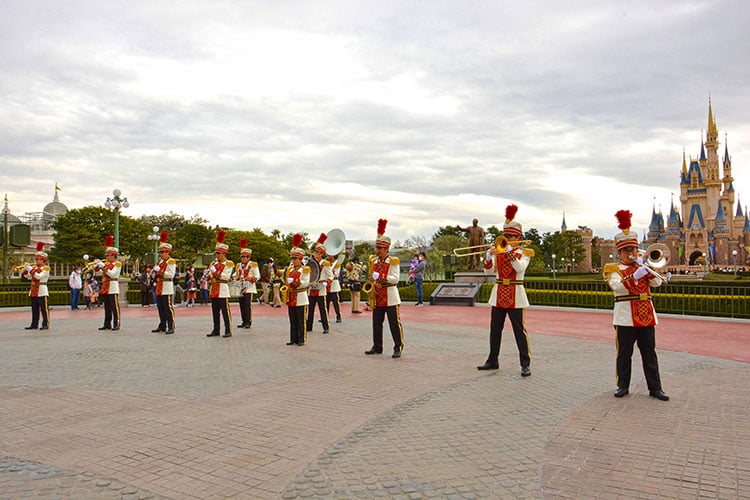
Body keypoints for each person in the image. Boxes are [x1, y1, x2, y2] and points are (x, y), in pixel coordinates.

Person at [603, 210, 669, 401]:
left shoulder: (644, 266)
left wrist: (648, 271)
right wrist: (634, 275)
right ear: (620, 252)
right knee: (624, 354)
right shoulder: (614, 269)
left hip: (646, 315)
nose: (631, 253)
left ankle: (655, 388)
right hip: (625, 317)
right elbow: (617, 288)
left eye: (633, 249)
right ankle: (622, 386)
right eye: (627, 250)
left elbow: (657, 284)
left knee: (650, 353)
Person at [477, 205, 532, 376]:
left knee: (519, 330)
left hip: (516, 293)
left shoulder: (524, 252)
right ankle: (493, 360)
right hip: (499, 292)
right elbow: (488, 272)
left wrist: (508, 253)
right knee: (495, 329)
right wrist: (488, 257)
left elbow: (519, 268)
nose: (506, 239)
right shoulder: (499, 252)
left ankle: (525, 363)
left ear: (518, 237)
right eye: (505, 236)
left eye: (510, 236)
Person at [365, 219, 405, 358]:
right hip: (377, 296)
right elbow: (372, 277)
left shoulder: (393, 261)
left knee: (394, 324)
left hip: (390, 296)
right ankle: (377, 346)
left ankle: (397, 347)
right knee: (376, 324)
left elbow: (395, 278)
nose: (378, 251)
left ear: (386, 249)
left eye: (380, 248)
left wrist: (381, 276)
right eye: (377, 248)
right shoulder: (374, 261)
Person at [207, 230, 234, 338]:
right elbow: (210, 275)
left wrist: (215, 272)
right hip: (214, 288)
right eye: (216, 253)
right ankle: (216, 329)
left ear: (224, 253)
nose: (217, 255)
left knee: (225, 311)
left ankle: (228, 330)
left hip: (222, 288)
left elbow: (225, 276)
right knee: (215, 312)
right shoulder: (213, 263)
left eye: (219, 253)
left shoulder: (229, 263)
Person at [285, 234, 311, 346]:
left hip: (300, 297)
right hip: (291, 296)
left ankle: (301, 339)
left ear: (300, 259)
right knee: (292, 320)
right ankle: (293, 338)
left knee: (301, 320)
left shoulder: (305, 269)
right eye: (292, 258)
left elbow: (306, 282)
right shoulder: (289, 269)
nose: (293, 261)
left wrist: (297, 283)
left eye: (295, 259)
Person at [306, 233, 333, 334]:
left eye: (317, 252)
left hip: (321, 288)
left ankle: (326, 327)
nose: (315, 254)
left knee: (322, 309)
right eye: (315, 252)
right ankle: (309, 326)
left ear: (322, 253)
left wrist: (327, 282)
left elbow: (331, 276)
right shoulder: (311, 262)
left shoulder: (325, 263)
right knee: (310, 309)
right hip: (312, 287)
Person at [151, 232, 176, 334]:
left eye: (162, 252)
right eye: (160, 252)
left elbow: (170, 274)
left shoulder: (171, 261)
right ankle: (162, 325)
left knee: (168, 307)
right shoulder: (160, 262)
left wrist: (160, 271)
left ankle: (171, 325)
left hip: (166, 285)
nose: (161, 254)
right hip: (159, 285)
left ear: (167, 252)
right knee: (160, 307)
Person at [23, 242, 50, 330]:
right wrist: (26, 270)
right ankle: (34, 324)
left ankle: (45, 324)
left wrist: (31, 270)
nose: (37, 261)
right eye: (36, 259)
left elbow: (38, 277)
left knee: (44, 309)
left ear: (43, 260)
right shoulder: (35, 268)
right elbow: (27, 277)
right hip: (34, 289)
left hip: (41, 289)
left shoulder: (46, 268)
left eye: (38, 259)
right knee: (34, 309)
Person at [98, 235, 122, 331]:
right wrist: (98, 268)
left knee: (114, 307)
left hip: (112, 286)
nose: (107, 257)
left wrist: (104, 268)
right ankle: (107, 323)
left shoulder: (117, 264)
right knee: (107, 307)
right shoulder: (107, 264)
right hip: (106, 286)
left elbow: (113, 274)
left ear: (113, 255)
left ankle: (116, 323)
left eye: (108, 255)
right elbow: (102, 274)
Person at [235, 238, 260, 328]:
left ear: (248, 257)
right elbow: (236, 274)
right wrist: (232, 278)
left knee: (247, 305)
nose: (242, 258)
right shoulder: (239, 266)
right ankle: (243, 320)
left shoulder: (253, 265)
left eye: (244, 257)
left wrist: (251, 278)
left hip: (249, 287)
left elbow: (258, 276)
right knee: (241, 304)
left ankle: (248, 321)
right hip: (241, 286)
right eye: (241, 256)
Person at [325, 254, 343, 323]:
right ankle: (326, 316)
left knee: (336, 302)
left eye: (330, 256)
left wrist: (331, 271)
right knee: (326, 302)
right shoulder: (327, 264)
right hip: (327, 285)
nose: (328, 257)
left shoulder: (337, 264)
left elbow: (337, 274)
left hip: (334, 284)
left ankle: (338, 316)